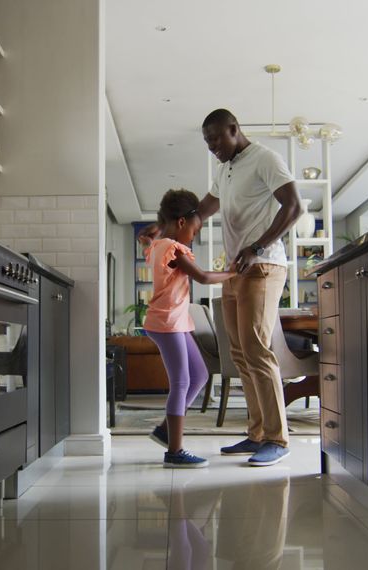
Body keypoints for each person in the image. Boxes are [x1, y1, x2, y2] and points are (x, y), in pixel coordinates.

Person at [141, 108, 302, 467]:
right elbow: (199, 212)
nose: (212, 146)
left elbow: (294, 207)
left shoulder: (265, 158)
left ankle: (278, 438)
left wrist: (257, 246)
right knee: (240, 353)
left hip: (262, 263)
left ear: (234, 129)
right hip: (236, 268)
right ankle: (258, 432)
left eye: (216, 138)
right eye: (207, 141)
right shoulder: (226, 169)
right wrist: (163, 228)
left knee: (257, 349)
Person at [143, 189, 236, 468]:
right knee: (181, 382)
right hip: (167, 322)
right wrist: (236, 271)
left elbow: (144, 237)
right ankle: (174, 451)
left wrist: (157, 228)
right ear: (182, 223)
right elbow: (204, 277)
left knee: (199, 375)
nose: (193, 237)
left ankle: (164, 430)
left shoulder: (155, 245)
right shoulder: (172, 249)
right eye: (195, 232)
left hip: (175, 322)